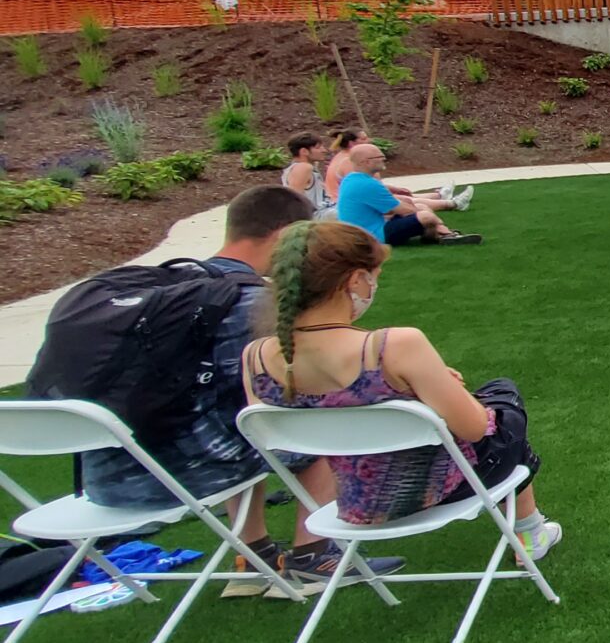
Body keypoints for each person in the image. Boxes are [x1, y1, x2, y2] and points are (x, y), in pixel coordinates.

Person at [77, 186, 397, 595]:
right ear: (286, 235)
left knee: (234, 418)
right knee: (318, 424)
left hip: (103, 476)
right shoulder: (248, 303)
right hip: (175, 479)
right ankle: (313, 555)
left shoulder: (166, 288)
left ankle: (251, 555)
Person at [239, 220, 560, 559]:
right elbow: (476, 428)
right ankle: (529, 534)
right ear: (356, 280)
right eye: (374, 277)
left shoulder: (256, 358)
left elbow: (289, 445)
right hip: (438, 489)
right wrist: (436, 395)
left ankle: (530, 532)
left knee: (491, 412)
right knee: (503, 405)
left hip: (352, 502)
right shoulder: (395, 346)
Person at [334, 142, 479, 246]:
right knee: (425, 215)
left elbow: (391, 205)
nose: (384, 159)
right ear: (365, 162)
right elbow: (403, 210)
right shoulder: (366, 184)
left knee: (419, 206)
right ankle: (443, 233)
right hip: (373, 235)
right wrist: (431, 218)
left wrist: (410, 203)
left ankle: (438, 234)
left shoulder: (353, 179)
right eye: (379, 157)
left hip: (367, 229)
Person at [326, 129, 469, 215]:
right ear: (352, 143)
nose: (369, 140)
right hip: (343, 202)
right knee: (405, 201)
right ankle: (451, 203)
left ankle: (439, 195)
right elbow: (371, 186)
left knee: (402, 196)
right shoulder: (349, 162)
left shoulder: (344, 157)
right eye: (364, 139)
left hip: (347, 199)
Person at [280, 132, 330, 214]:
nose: (324, 150)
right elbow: (295, 197)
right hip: (313, 217)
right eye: (318, 147)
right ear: (304, 151)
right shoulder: (303, 167)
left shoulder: (304, 167)